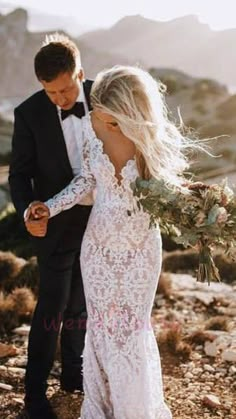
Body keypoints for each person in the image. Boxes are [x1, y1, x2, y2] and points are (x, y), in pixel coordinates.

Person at [27, 65, 186, 418]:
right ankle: (101, 407)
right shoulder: (90, 125)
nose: (104, 124)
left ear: (133, 113)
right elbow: (85, 181)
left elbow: (168, 192)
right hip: (97, 246)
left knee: (131, 331)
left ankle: (134, 408)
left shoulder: (150, 139)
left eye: (113, 121)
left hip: (140, 248)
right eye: (101, 116)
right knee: (99, 329)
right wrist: (47, 208)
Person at [9, 33, 93, 419]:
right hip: (53, 221)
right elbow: (19, 175)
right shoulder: (28, 113)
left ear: (80, 73)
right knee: (52, 307)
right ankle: (35, 395)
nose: (59, 99)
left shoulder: (104, 95)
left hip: (101, 219)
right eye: (50, 92)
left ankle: (74, 376)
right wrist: (28, 213)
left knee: (83, 302)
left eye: (65, 90)